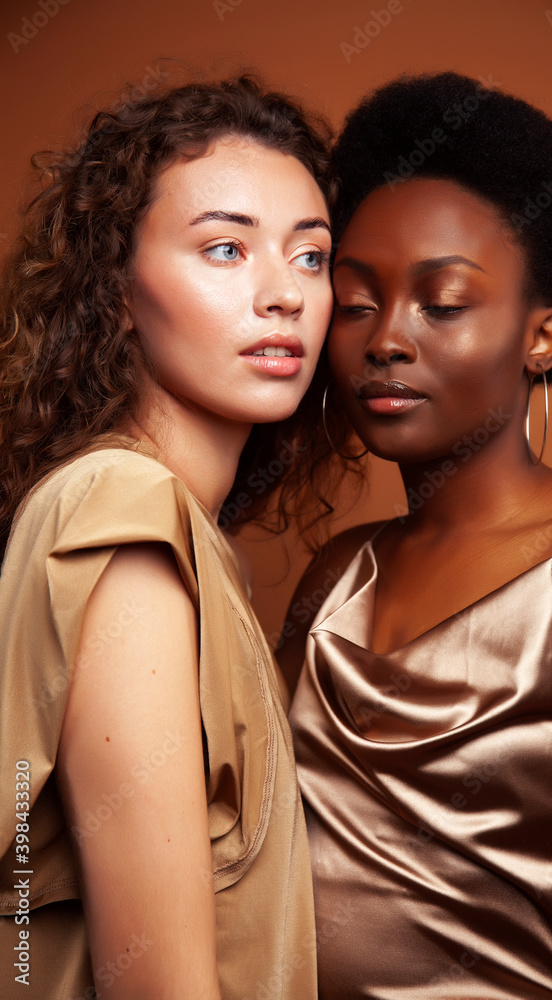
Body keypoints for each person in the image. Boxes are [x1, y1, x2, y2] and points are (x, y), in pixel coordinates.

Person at [281, 73, 552, 999]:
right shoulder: (336, 574)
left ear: (540, 337)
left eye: (441, 302)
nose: (386, 340)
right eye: (358, 301)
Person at [0, 75, 336, 999]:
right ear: (113, 291)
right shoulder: (125, 512)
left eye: (311, 258)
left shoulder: (173, 524)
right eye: (224, 249)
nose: (283, 295)